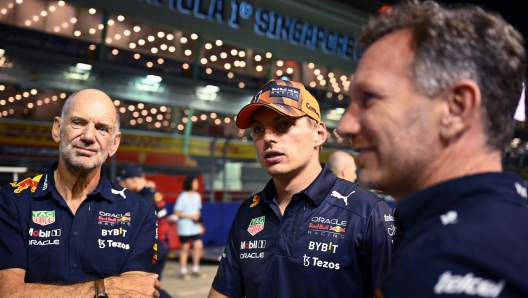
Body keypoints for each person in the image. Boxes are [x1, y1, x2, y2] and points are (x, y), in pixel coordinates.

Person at [336, 1, 528, 297]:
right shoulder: (500, 228)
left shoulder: (445, 266)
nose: (345, 125)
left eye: (369, 98)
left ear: (456, 108)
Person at [209, 79, 394, 298]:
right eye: (258, 129)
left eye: (284, 125)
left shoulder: (367, 212)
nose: (267, 137)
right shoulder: (248, 212)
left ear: (319, 134)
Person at [0, 89, 161, 297]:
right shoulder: (11, 200)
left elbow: (138, 292)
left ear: (114, 143)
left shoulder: (140, 211)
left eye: (102, 128)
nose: (88, 136)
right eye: (78, 122)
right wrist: (102, 289)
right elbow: (7, 292)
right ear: (57, 128)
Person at [117, 165, 172, 298]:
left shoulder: (144, 198)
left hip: (153, 247)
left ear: (134, 180)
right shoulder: (152, 191)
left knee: (146, 288)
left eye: (124, 182)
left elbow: (136, 226)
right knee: (151, 287)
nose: (122, 186)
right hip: (162, 244)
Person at [173, 176, 205, 280]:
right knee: (185, 248)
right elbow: (176, 212)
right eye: (195, 183)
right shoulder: (182, 197)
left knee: (198, 246)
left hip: (194, 226)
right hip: (185, 227)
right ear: (190, 183)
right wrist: (190, 216)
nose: (197, 185)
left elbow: (198, 210)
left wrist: (199, 223)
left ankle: (195, 269)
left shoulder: (197, 196)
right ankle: (183, 271)